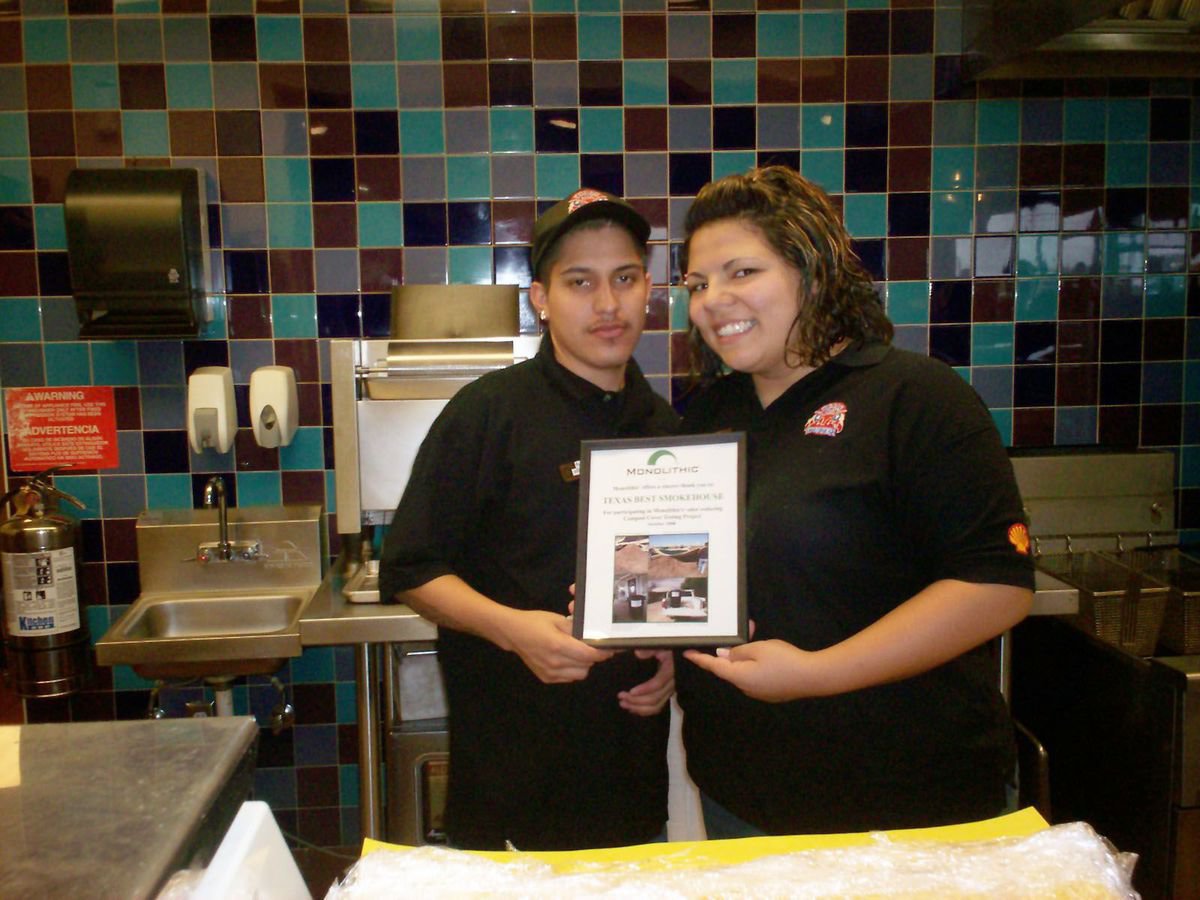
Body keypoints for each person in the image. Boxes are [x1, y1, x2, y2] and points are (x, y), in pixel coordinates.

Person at [674, 166, 1035, 837]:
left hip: (907, 800)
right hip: (743, 793)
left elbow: (995, 586)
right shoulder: (707, 417)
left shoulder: (915, 398)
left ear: (813, 271)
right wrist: (632, 612)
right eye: (697, 283)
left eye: (742, 272)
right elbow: (697, 571)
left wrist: (816, 674)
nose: (712, 300)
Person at [378, 188, 679, 851]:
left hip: (631, 793)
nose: (608, 304)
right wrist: (514, 631)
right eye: (580, 282)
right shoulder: (489, 415)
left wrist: (669, 658)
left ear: (648, 288)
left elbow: (665, 585)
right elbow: (409, 567)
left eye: (624, 279)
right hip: (512, 792)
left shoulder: (665, 430)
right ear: (540, 297)